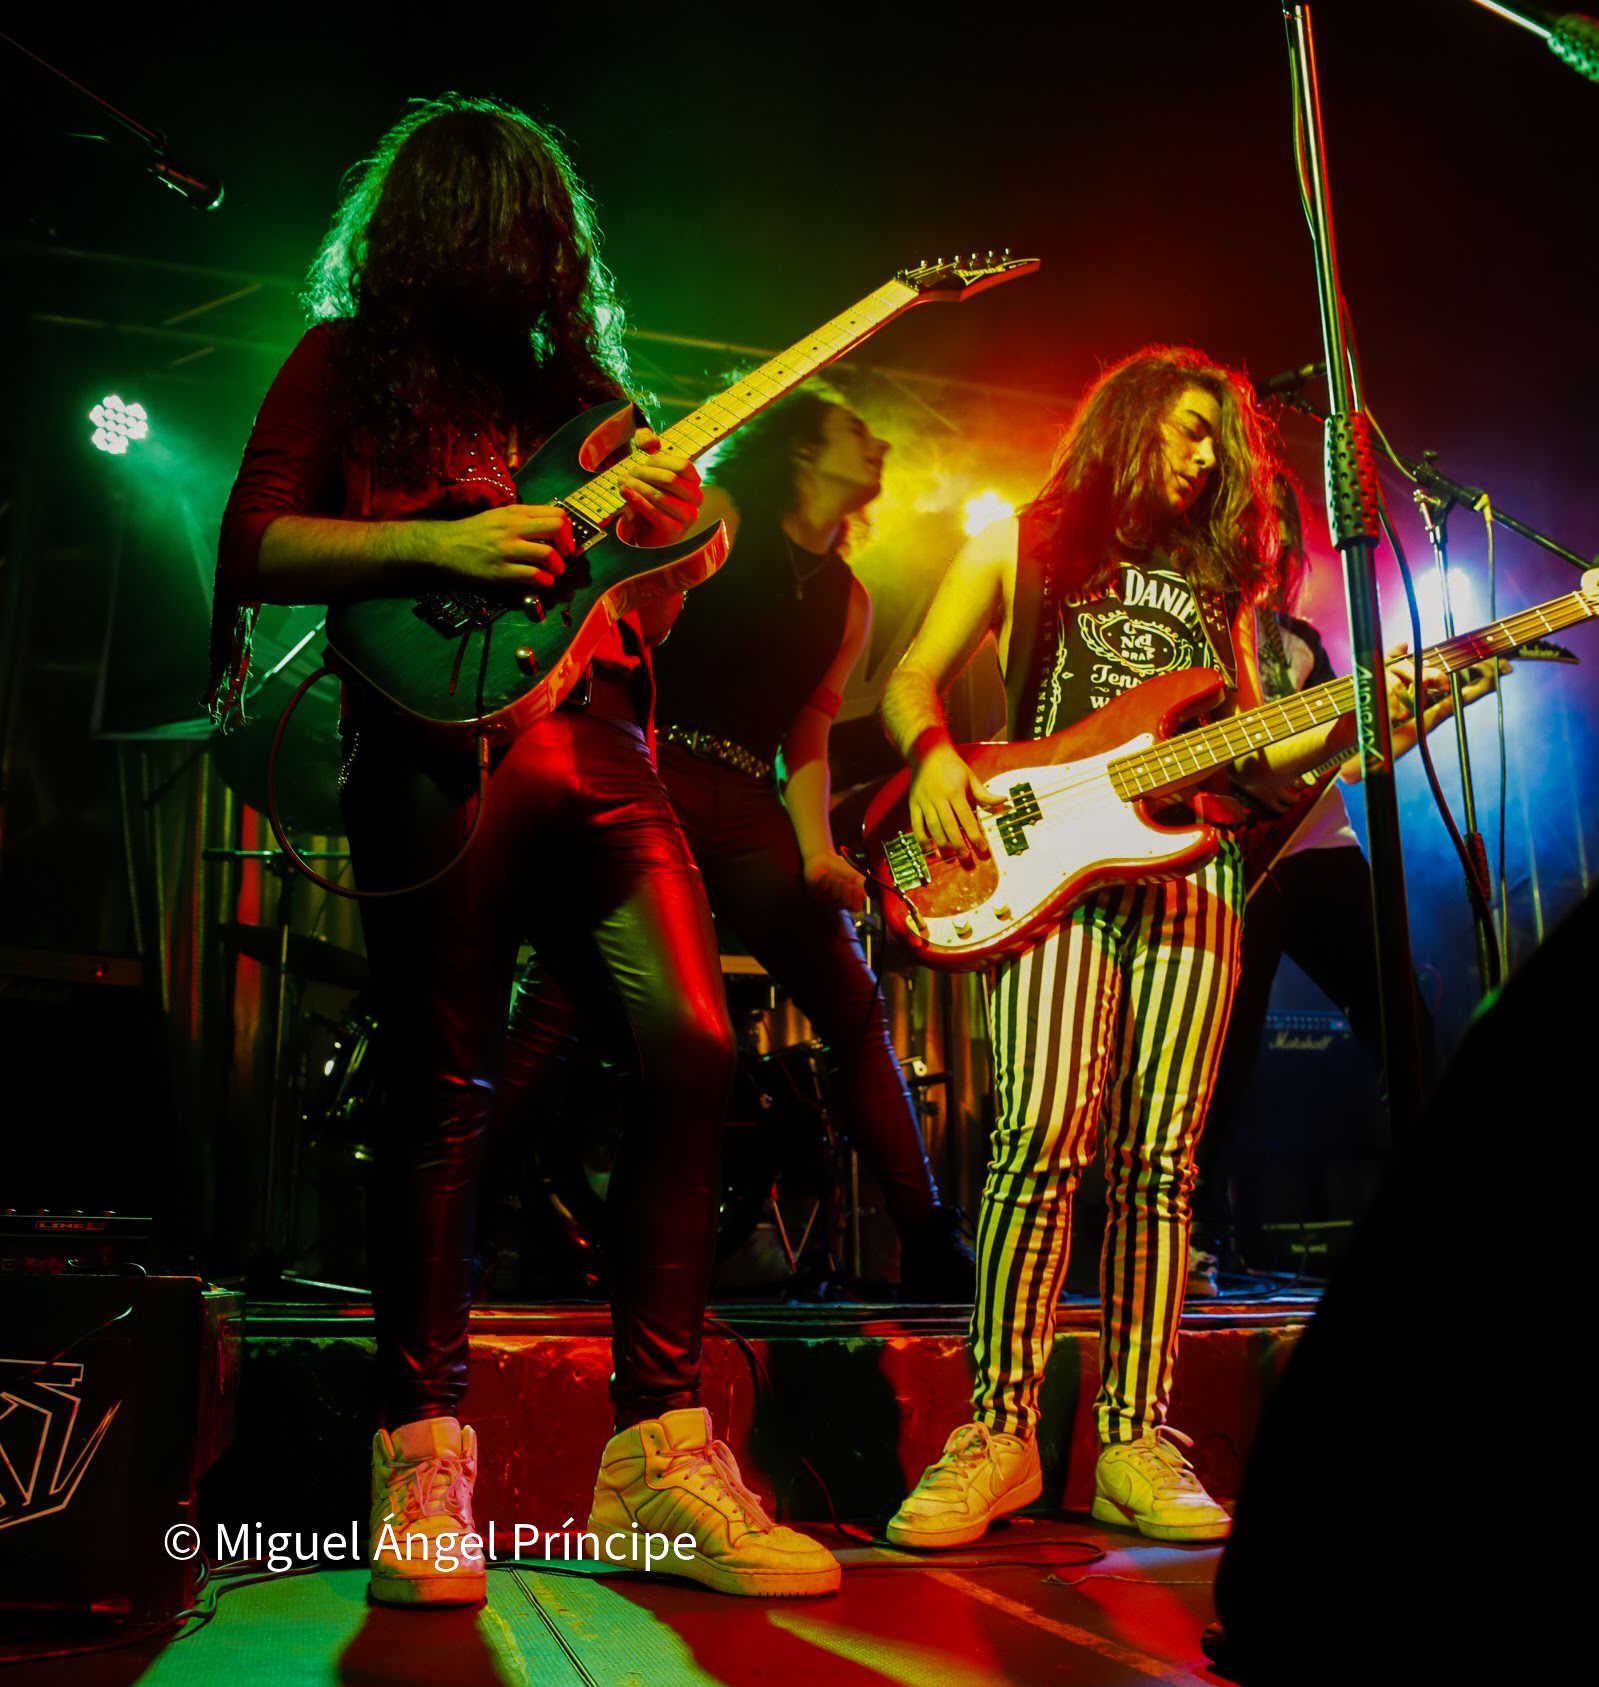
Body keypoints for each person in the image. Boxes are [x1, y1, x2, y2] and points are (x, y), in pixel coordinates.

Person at [210, 96, 840, 1605]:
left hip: (605, 740)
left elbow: (647, 595)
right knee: (441, 1090)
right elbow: (252, 545)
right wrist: (443, 538)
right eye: (502, 227)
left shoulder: (590, 393)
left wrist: (675, 535)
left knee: (693, 1040)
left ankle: (659, 1452)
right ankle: (422, 1454)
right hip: (433, 752)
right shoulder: (346, 363)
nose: (528, 258)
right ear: (436, 230)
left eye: (543, 233)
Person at [876, 345, 1419, 1548]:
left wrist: (1359, 725)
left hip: (1193, 870)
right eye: (1187, 428)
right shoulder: (1023, 544)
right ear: (1125, 425)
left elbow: (1258, 764)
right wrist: (932, 756)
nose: (1208, 456)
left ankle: (1134, 1436)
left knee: (1161, 1160)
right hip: (1046, 869)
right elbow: (909, 678)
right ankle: (999, 1432)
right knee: (1039, 1135)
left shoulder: (1227, 594)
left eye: (1219, 438)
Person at [501, 386, 976, 1299]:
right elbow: (614, 613)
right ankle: (475, 1224)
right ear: (802, 448)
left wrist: (816, 853)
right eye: (854, 429)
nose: (877, 445)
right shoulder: (721, 513)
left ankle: (926, 1239)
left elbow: (808, 735)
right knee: (554, 1004)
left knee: (852, 1006)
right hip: (649, 765)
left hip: (748, 798)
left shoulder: (849, 598)